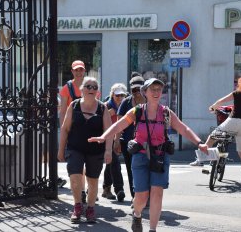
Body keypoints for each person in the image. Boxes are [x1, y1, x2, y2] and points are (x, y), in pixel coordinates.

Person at [88, 78, 208, 232]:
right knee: (142, 195)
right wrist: (104, 137)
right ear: (145, 92)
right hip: (140, 156)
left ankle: (152, 229)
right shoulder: (137, 111)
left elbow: (183, 129)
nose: (156, 92)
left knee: (157, 194)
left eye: (159, 89)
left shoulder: (165, 112)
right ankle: (137, 214)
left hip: (160, 156)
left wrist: (199, 143)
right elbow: (119, 124)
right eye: (153, 89)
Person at [58, 76, 112, 223]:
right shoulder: (74, 106)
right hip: (75, 148)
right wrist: (60, 150)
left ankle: (90, 208)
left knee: (92, 180)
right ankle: (77, 206)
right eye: (88, 86)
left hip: (96, 150)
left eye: (94, 87)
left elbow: (109, 131)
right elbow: (65, 129)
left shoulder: (102, 108)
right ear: (82, 89)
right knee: (75, 177)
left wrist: (108, 150)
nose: (91, 89)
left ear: (98, 92)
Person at [191, 77, 241, 183]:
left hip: (233, 121)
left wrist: (213, 107)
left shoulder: (236, 94)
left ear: (240, 84)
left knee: (212, 137)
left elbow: (221, 101)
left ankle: (200, 160)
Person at [59, 60, 87, 199]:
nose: (78, 72)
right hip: (74, 128)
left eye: (81, 70)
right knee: (77, 161)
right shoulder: (67, 88)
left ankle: (85, 188)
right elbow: (63, 110)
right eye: (76, 70)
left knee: (87, 160)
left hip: (88, 128)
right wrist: (64, 128)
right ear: (72, 71)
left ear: (84, 71)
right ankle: (81, 190)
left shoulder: (90, 86)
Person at [115, 75, 146, 200]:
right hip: (129, 143)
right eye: (134, 90)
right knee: (131, 170)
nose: (137, 93)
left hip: (146, 143)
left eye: (139, 90)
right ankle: (135, 196)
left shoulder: (150, 102)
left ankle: (144, 195)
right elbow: (119, 123)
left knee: (145, 169)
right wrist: (116, 141)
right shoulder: (126, 102)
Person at [102, 83, 127, 202]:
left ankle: (106, 189)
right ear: (112, 95)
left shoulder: (125, 106)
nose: (120, 97)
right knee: (115, 162)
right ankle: (119, 189)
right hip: (108, 138)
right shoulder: (106, 106)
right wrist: (106, 115)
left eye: (122, 95)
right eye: (117, 95)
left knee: (110, 164)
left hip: (119, 137)